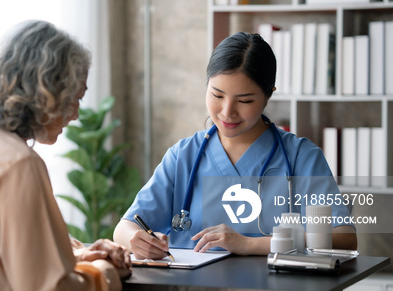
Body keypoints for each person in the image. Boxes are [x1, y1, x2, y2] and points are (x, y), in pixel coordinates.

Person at [113, 32, 357, 259]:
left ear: (268, 95)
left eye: (245, 100)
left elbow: (343, 238)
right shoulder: (184, 156)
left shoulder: (301, 157)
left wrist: (249, 244)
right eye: (217, 95)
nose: (227, 112)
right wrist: (136, 240)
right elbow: (125, 227)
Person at [0, 20, 131, 291]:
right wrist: (105, 272)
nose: (76, 114)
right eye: (75, 99)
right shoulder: (17, 164)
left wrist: (79, 255)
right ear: (48, 92)